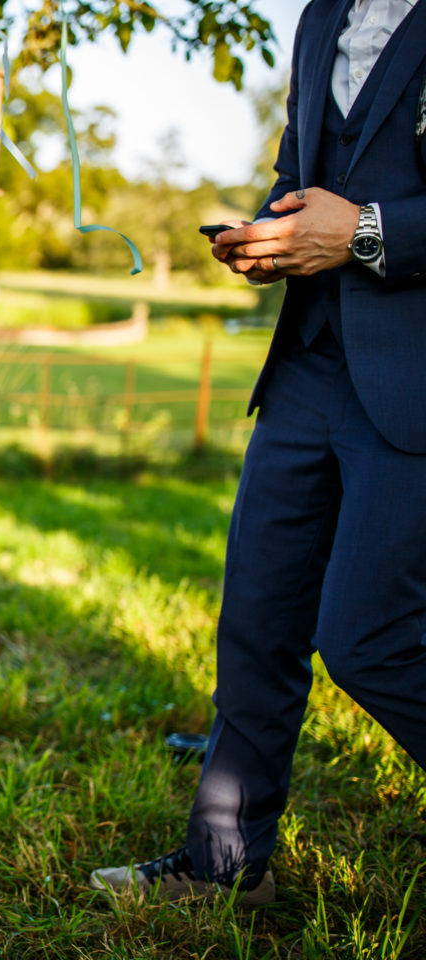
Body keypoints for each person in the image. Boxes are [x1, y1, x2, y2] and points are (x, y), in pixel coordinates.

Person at [92, 0, 426, 904]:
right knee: (257, 622)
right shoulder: (319, 18)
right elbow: (300, 171)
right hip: (307, 368)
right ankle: (226, 867)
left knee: (370, 639)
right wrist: (269, 235)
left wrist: (360, 233)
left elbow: (369, 215)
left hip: (416, 379)